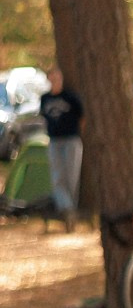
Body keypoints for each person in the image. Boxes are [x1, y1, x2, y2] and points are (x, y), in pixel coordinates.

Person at [39, 69, 83, 225]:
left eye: (58, 77)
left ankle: (71, 209)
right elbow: (44, 117)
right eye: (52, 77)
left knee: (71, 175)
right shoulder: (45, 98)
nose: (55, 80)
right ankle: (66, 209)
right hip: (54, 141)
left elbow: (82, 116)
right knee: (58, 176)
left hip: (71, 140)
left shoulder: (70, 97)